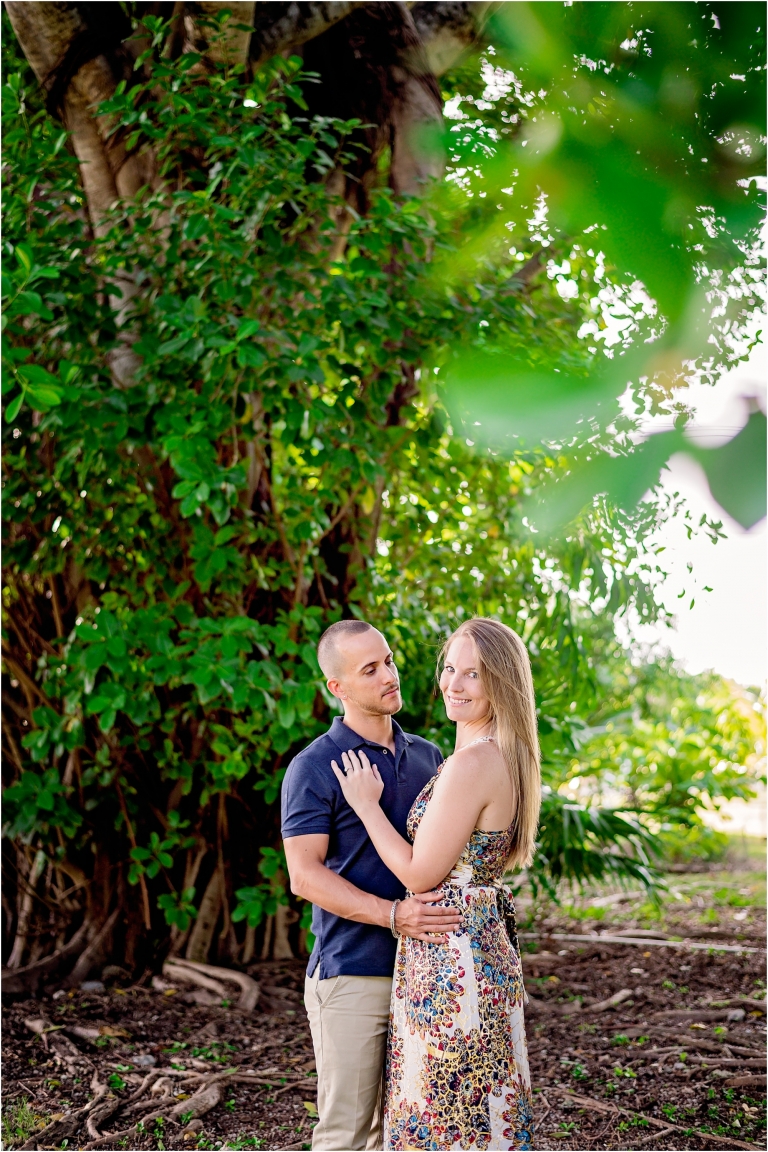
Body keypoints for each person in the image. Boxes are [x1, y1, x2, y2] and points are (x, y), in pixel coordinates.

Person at [332, 616, 540, 1151]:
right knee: (476, 1114)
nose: (453, 684)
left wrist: (365, 806)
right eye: (449, 669)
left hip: (453, 962)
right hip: (468, 946)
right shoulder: (492, 756)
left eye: (473, 674)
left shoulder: (473, 762)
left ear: (501, 683)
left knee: (449, 1118)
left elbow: (421, 873)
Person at [281, 619, 462, 1151]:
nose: (389, 675)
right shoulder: (314, 766)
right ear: (337, 687)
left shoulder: (431, 758)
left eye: (388, 660)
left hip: (428, 971)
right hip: (354, 972)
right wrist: (391, 915)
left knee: (410, 1130)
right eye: (370, 669)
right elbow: (304, 875)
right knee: (348, 1132)